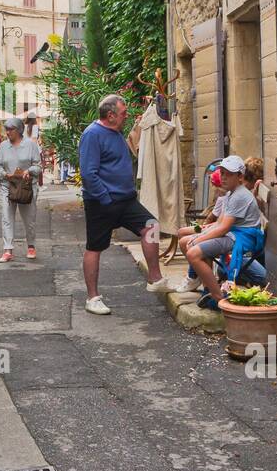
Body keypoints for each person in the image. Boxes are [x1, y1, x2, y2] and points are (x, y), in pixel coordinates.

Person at [79, 94, 171, 314]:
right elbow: (88, 174)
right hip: (102, 203)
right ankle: (92, 298)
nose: (126, 115)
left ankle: (154, 278)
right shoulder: (92, 135)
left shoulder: (116, 131)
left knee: (151, 226)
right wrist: (105, 198)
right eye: (123, 113)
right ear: (110, 116)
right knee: (95, 247)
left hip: (126, 199)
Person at [180, 153, 265, 308]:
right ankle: (208, 287)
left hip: (242, 238)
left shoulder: (239, 195)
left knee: (193, 252)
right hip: (233, 234)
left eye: (229, 174)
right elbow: (219, 223)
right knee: (186, 241)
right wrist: (202, 233)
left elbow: (224, 227)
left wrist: (199, 239)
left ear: (240, 177)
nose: (223, 177)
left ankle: (218, 297)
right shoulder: (231, 193)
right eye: (222, 173)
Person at [0, 116, 41, 262]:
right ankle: (8, 249)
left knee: (29, 218)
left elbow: (38, 166)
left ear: (19, 130)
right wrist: (4, 174)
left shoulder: (30, 145)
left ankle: (31, 245)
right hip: (8, 186)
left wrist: (29, 171)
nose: (7, 132)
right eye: (6, 129)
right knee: (6, 218)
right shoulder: (3, 146)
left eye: (11, 129)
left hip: (26, 187)